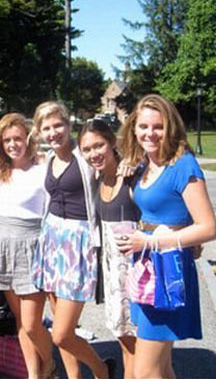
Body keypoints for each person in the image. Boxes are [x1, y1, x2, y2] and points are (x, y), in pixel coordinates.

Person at [117, 94, 216, 379]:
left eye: (158, 127)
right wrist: (126, 166)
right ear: (134, 128)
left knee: (145, 372)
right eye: (143, 126)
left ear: (170, 127)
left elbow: (208, 227)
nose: (150, 133)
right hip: (146, 270)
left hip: (167, 273)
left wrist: (150, 241)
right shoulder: (144, 165)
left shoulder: (183, 165)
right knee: (159, 368)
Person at [31, 101, 114, 379]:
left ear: (68, 125)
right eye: (46, 128)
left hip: (78, 245)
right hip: (52, 241)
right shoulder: (48, 159)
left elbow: (113, 161)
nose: (53, 132)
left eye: (58, 125)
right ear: (39, 131)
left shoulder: (85, 156)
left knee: (62, 333)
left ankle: (102, 369)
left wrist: (125, 164)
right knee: (59, 324)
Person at [0, 113, 53, 379]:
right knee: (20, 321)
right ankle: (34, 374)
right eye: (7, 140)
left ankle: (50, 363)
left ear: (28, 139)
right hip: (4, 244)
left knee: (31, 323)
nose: (13, 144)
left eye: (17, 138)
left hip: (32, 245)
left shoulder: (43, 168)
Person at [79, 119, 139, 378]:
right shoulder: (97, 177)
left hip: (135, 272)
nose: (93, 153)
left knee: (138, 343)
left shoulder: (132, 176)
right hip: (113, 272)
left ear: (112, 142)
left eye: (99, 145)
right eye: (87, 149)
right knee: (124, 339)